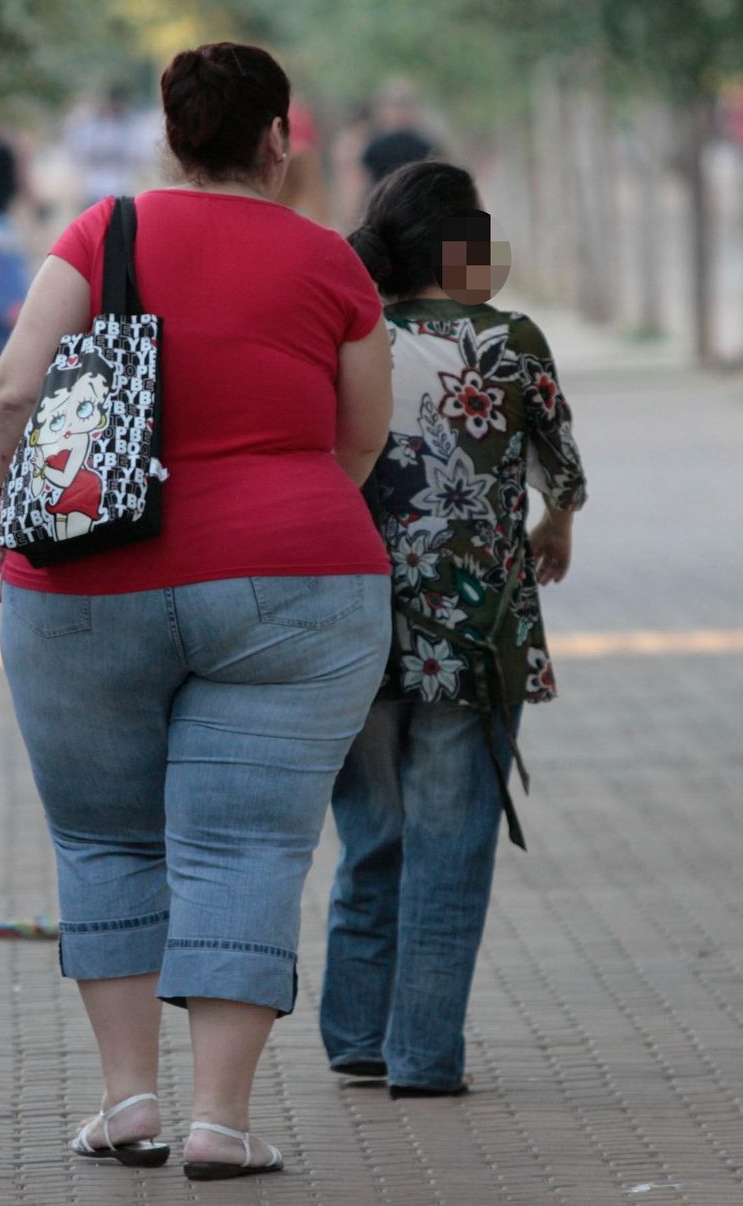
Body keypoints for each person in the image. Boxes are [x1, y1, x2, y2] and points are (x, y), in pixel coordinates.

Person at [0, 42, 394, 1181]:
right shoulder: (328, 262)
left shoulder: (100, 235)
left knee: (105, 836)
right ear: (279, 137)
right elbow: (361, 433)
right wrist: (280, 521)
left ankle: (128, 1103)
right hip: (299, 587)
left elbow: (15, 388)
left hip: (86, 584)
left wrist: (1, 503)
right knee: (247, 845)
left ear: (170, 135)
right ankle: (221, 1120)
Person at [321, 161, 587, 1099]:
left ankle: (357, 1033)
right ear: (465, 248)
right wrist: (556, 522)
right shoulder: (510, 340)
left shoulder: (353, 336)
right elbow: (561, 463)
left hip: (356, 616)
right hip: (475, 633)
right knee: (452, 841)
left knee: (373, 832)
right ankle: (425, 1057)